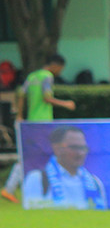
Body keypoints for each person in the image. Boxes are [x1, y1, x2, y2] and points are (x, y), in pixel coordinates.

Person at [2, 54, 75, 204]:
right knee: (50, 153)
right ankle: (16, 189)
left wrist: (20, 115)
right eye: (60, 68)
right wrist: (66, 104)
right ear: (55, 65)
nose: (60, 72)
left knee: (34, 154)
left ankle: (12, 188)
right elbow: (46, 97)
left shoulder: (32, 76)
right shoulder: (47, 77)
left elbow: (21, 93)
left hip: (32, 121)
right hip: (43, 122)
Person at [23, 126, 107, 209]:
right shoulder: (38, 179)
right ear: (57, 149)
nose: (80, 153)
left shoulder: (94, 182)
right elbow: (32, 215)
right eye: (74, 148)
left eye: (83, 148)